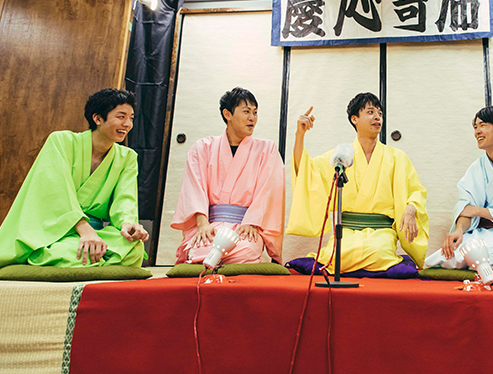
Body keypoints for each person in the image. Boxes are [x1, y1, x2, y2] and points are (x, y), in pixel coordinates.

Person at [0, 89, 148, 268]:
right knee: (74, 253)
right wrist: (84, 229)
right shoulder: (61, 141)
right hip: (52, 228)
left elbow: (126, 198)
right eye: (121, 117)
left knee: (134, 248)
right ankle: (65, 253)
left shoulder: (127, 157)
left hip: (95, 232)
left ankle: (91, 254)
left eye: (131, 118)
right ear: (97, 118)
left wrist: (128, 224)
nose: (127, 124)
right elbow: (55, 193)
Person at [286, 92, 428, 272]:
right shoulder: (341, 155)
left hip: (381, 232)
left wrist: (411, 208)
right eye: (370, 112)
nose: (377, 117)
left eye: (380, 113)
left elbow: (416, 191)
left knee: (378, 252)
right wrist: (300, 134)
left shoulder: (397, 157)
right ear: (354, 119)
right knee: (339, 255)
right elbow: (307, 172)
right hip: (346, 232)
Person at [172, 87, 284, 265]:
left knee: (246, 250)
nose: (252, 118)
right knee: (201, 248)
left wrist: (252, 222)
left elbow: (268, 191)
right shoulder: (203, 147)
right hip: (210, 226)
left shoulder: (266, 149)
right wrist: (202, 224)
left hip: (244, 228)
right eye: (246, 112)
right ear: (227, 114)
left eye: (255, 112)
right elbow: (193, 189)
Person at [424, 106, 493, 271]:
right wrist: (459, 231)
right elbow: (466, 206)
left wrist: (479, 211)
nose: (477, 131)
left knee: (487, 260)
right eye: (475, 127)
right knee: (441, 259)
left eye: (483, 125)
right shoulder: (476, 168)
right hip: (482, 233)